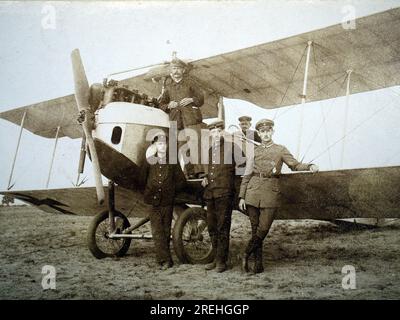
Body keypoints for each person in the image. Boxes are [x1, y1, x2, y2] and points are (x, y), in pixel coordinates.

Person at [238, 119, 319, 273]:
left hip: (270, 193)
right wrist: (242, 196)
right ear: (259, 134)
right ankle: (258, 265)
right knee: (255, 230)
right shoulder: (254, 152)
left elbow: (294, 165)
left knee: (263, 229)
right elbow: (247, 175)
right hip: (252, 193)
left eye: (268, 131)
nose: (265, 134)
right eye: (262, 132)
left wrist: (309, 165)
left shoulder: (281, 149)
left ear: (272, 132)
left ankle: (245, 253)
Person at [144, 130, 186, 270]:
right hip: (153, 201)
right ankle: (164, 260)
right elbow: (143, 178)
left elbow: (181, 181)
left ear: (167, 145)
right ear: (155, 145)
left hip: (167, 202)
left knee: (166, 230)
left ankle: (165, 260)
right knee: (157, 231)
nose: (162, 146)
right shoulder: (150, 162)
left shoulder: (172, 162)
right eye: (159, 143)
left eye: (164, 144)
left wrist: (171, 190)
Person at [201, 120, 239, 272]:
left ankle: (222, 262)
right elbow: (211, 170)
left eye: (218, 132)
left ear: (222, 132)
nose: (215, 135)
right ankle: (216, 258)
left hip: (224, 193)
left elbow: (242, 166)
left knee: (223, 227)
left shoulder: (232, 147)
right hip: (211, 193)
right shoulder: (211, 150)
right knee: (211, 227)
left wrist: (232, 184)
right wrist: (205, 176)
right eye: (212, 132)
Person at [158, 58, 205, 179]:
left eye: (178, 68)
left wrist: (191, 99)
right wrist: (168, 105)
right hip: (176, 121)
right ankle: (190, 172)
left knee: (194, 144)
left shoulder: (191, 82)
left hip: (191, 119)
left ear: (183, 70)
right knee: (183, 147)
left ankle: (200, 172)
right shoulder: (168, 87)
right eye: (174, 68)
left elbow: (201, 99)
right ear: (170, 71)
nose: (176, 71)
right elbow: (161, 104)